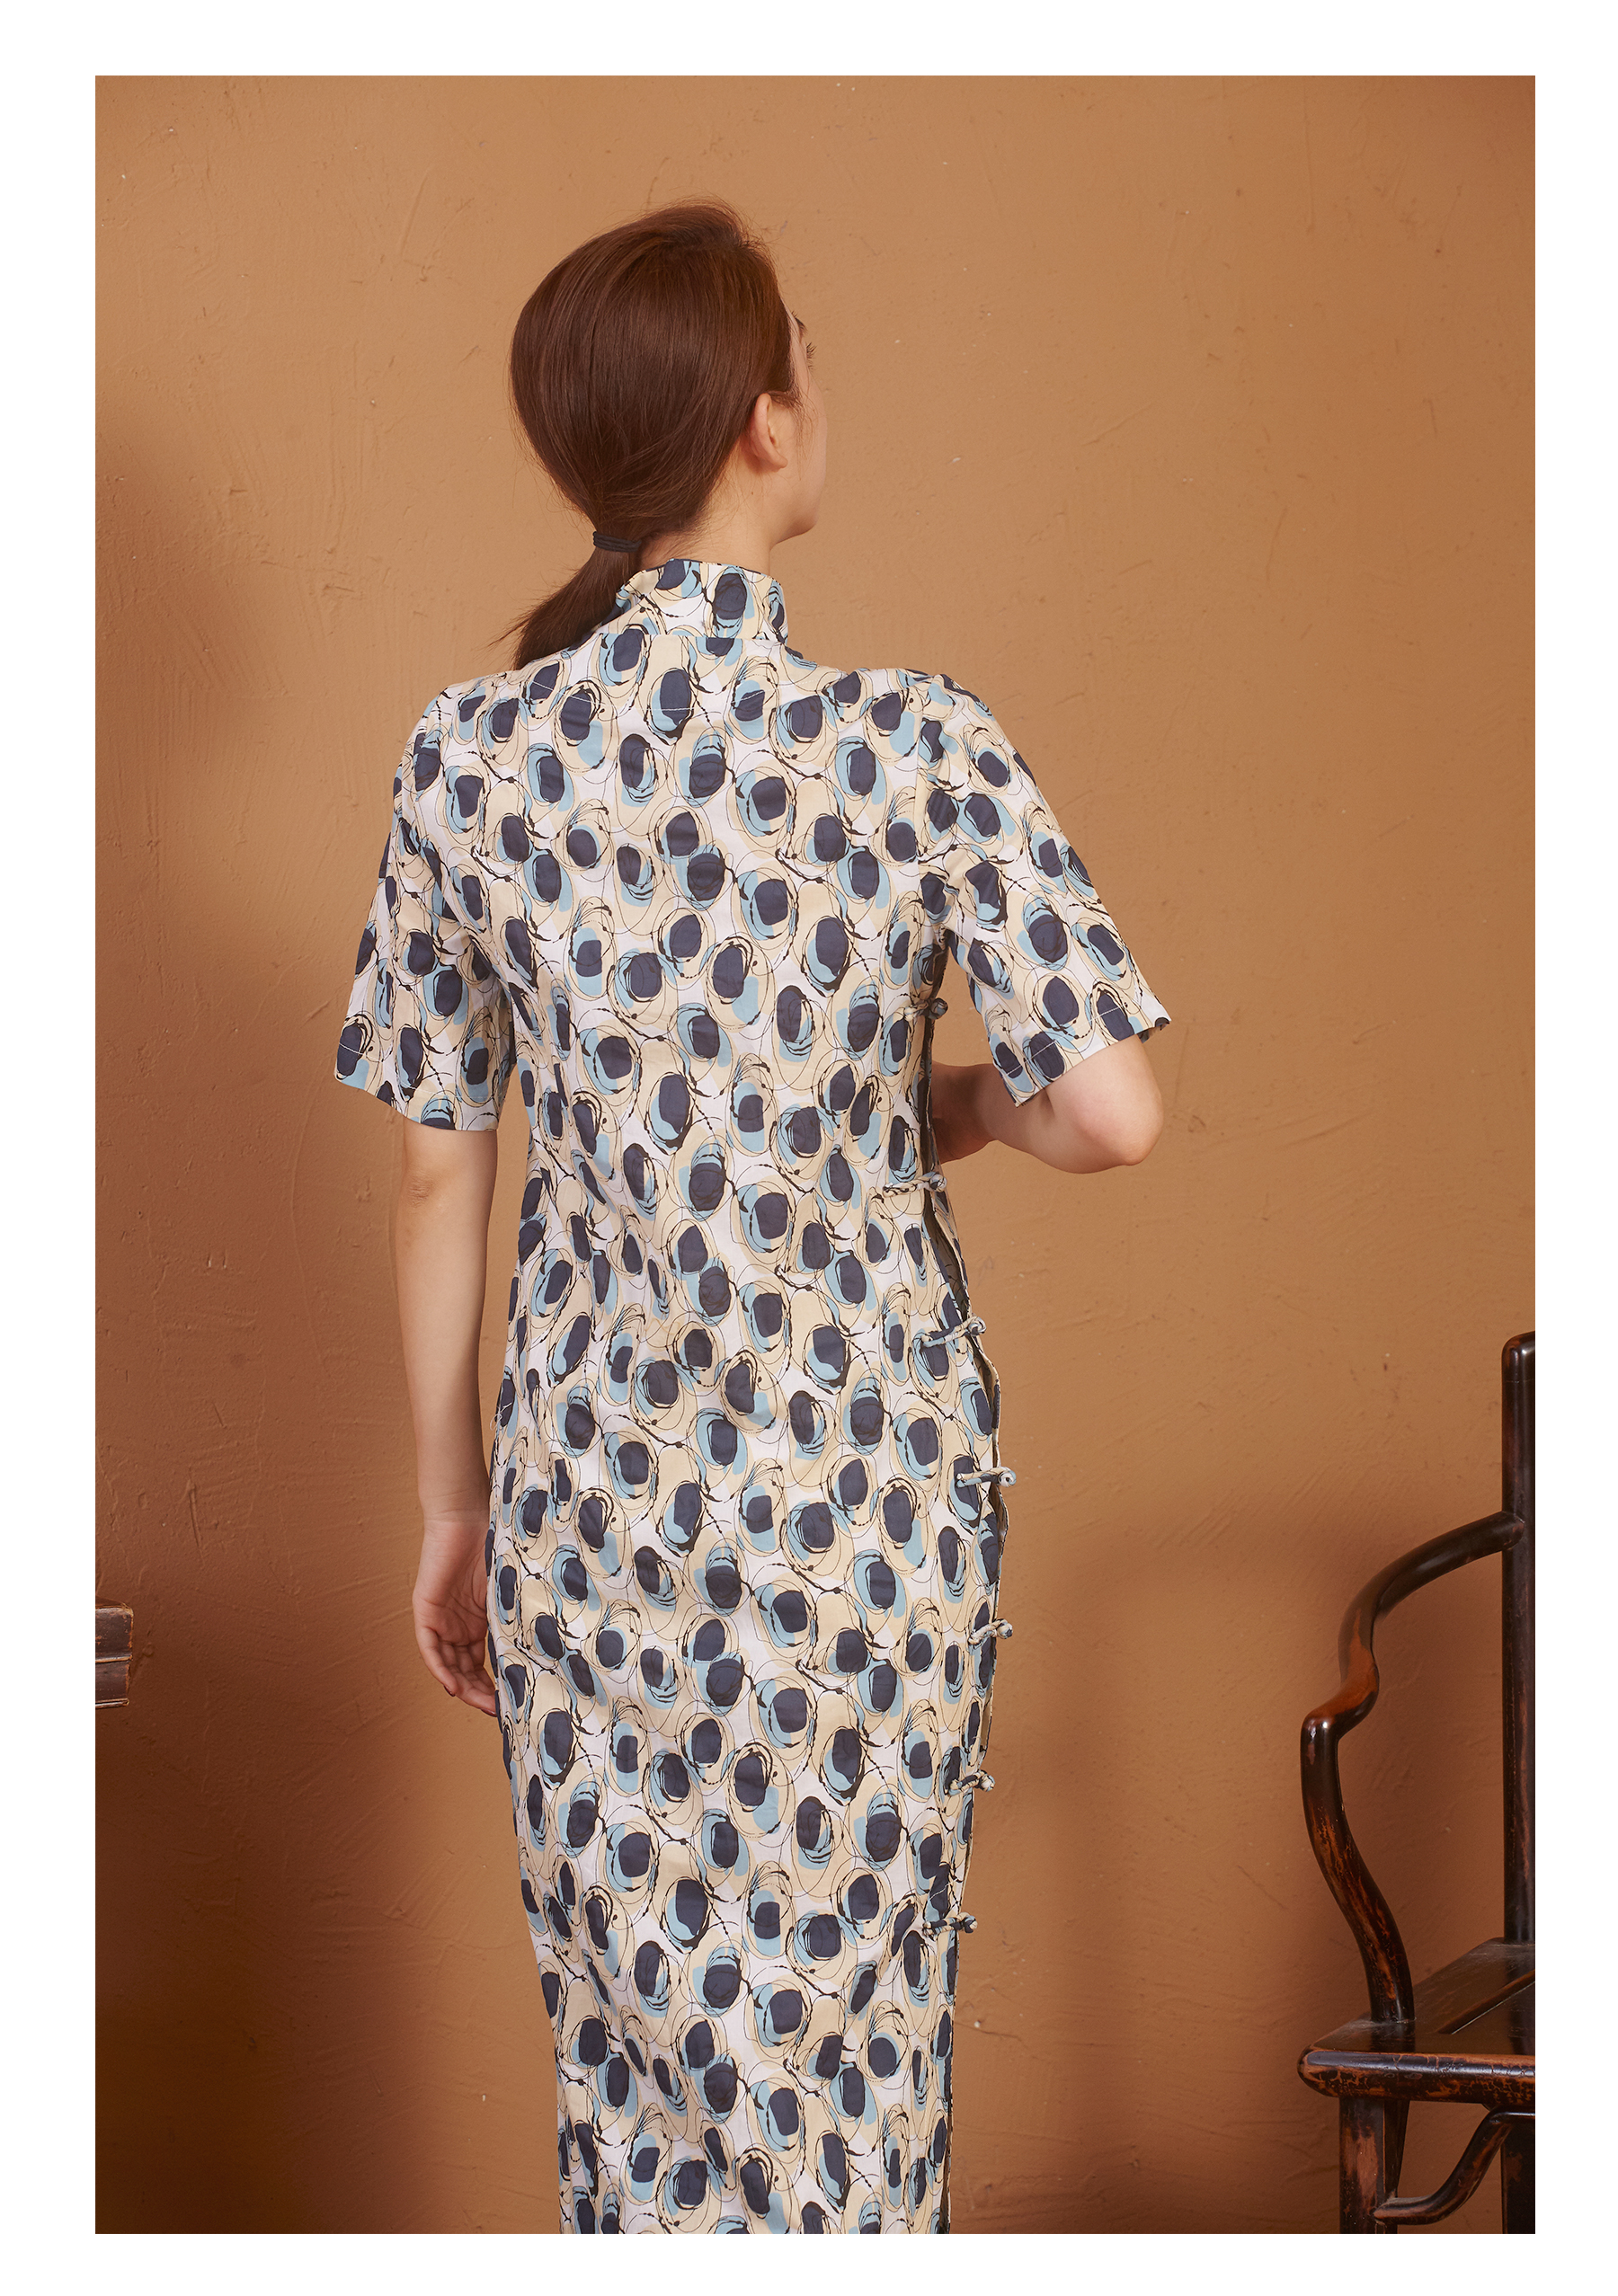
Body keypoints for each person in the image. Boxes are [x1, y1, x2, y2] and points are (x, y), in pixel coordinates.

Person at [333, 199, 1169, 2235]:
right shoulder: (916, 743)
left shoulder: (467, 757)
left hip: (591, 1511)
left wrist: (452, 1509)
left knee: (636, 2077)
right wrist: (941, 1105)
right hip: (864, 1515)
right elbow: (1111, 1112)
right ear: (764, 421)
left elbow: (441, 1162)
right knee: (851, 2058)